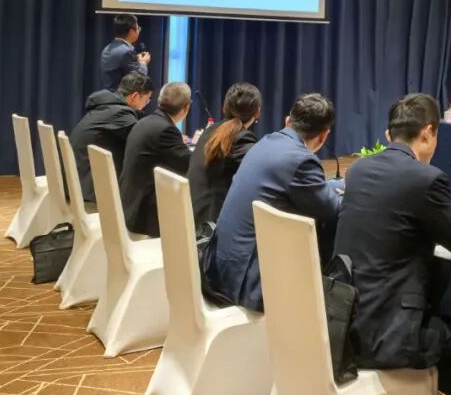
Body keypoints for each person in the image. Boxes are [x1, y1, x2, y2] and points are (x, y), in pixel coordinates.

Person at [334, 93, 451, 369]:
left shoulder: (358, 169)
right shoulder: (425, 179)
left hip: (345, 323)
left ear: (389, 135)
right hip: (391, 336)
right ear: (427, 133)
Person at [201, 93, 342, 312]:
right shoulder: (302, 160)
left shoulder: (265, 143)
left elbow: (315, 190)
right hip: (249, 285)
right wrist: (348, 190)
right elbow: (333, 210)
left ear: (288, 121)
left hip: (218, 268)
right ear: (324, 135)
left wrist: (334, 186)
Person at [119, 81, 192, 237]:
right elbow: (189, 164)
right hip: (143, 216)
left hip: (127, 204)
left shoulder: (145, 122)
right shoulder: (166, 130)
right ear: (186, 107)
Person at [70, 72, 153, 205]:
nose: (146, 104)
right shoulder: (120, 113)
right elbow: (143, 141)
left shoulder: (106, 107)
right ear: (135, 96)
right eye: (147, 100)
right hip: (90, 191)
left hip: (77, 180)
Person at [187, 82, 262, 225]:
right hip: (210, 228)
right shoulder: (241, 138)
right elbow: (262, 174)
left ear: (224, 107)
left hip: (194, 216)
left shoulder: (210, 130)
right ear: (257, 112)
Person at [100, 14, 151, 91]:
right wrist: (143, 63)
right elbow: (139, 79)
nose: (139, 31)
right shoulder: (126, 51)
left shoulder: (107, 48)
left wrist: (135, 60)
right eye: (138, 28)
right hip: (120, 96)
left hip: (108, 94)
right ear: (131, 32)